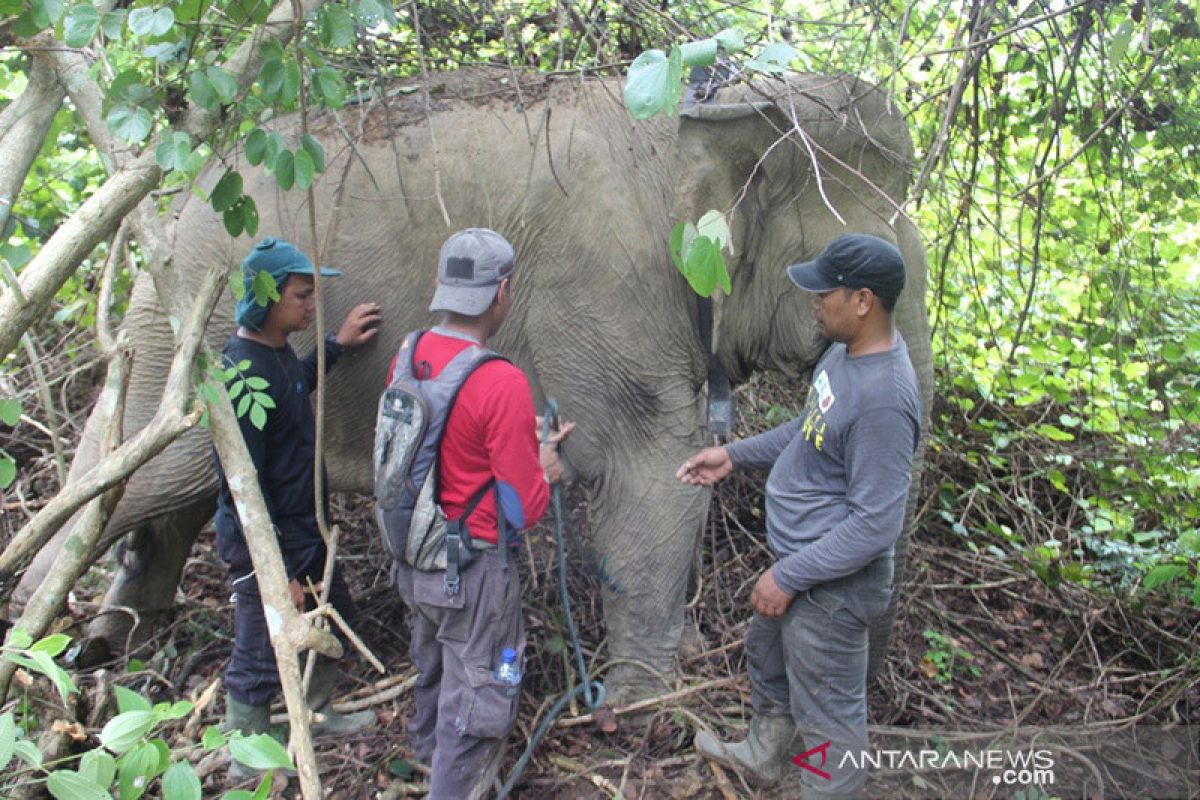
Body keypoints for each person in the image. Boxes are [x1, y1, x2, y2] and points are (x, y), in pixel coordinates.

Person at [677, 234, 922, 799]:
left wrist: (788, 577)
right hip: (806, 565)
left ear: (863, 301)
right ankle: (765, 754)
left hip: (832, 589)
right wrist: (734, 455)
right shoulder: (844, 354)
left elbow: (874, 525)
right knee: (767, 654)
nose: (814, 301)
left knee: (828, 722)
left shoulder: (884, 399)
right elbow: (809, 429)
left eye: (824, 293)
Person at [389, 228, 572, 800]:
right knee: (478, 700)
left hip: (414, 562)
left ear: (441, 288)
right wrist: (544, 464)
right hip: (471, 577)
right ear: (502, 293)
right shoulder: (500, 380)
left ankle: (426, 760)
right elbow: (522, 509)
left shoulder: (408, 351)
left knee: (435, 673)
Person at [213, 237, 382, 781]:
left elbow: (292, 390)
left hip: (302, 530)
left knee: (334, 620)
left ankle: (313, 713)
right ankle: (248, 762)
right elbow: (243, 486)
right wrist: (274, 572)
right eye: (302, 296)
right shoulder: (241, 373)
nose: (312, 305)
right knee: (260, 654)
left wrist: (335, 345)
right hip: (267, 544)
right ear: (267, 297)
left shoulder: (275, 354)